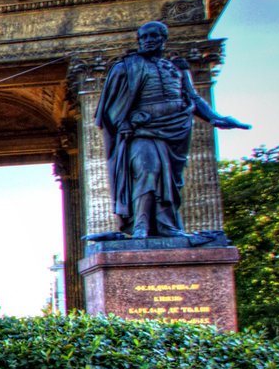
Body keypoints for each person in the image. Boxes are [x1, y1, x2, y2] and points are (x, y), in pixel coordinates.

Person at [95, 19, 250, 239]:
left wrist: (215, 118)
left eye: (154, 36)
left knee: (169, 183)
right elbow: (109, 108)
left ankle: (167, 226)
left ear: (163, 40)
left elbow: (193, 97)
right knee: (147, 170)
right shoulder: (125, 67)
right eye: (144, 37)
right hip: (143, 130)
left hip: (175, 130)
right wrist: (125, 122)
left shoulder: (176, 68)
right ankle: (140, 226)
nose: (148, 41)